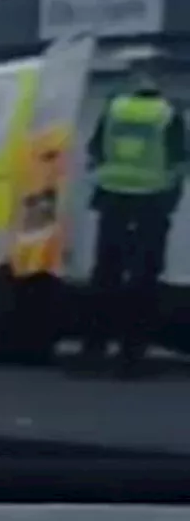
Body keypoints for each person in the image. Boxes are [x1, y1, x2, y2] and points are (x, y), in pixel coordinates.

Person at [79, 69, 186, 378]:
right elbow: (179, 162)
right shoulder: (168, 115)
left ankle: (93, 349)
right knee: (143, 279)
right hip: (152, 203)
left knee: (105, 274)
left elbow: (95, 151)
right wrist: (171, 201)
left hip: (113, 199)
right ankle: (131, 354)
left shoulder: (113, 110)